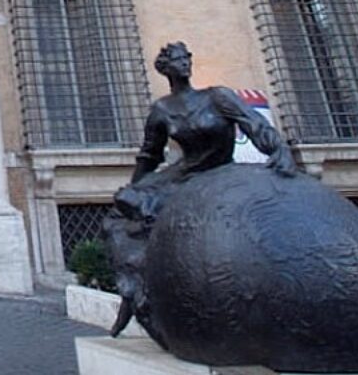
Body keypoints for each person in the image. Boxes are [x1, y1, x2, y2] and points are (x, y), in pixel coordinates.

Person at [107, 41, 294, 337]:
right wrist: (133, 191)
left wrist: (278, 150)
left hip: (219, 171)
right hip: (185, 174)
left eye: (186, 58)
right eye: (177, 60)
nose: (184, 63)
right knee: (118, 218)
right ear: (166, 68)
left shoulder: (218, 96)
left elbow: (254, 124)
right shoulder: (162, 109)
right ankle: (133, 292)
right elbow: (149, 156)